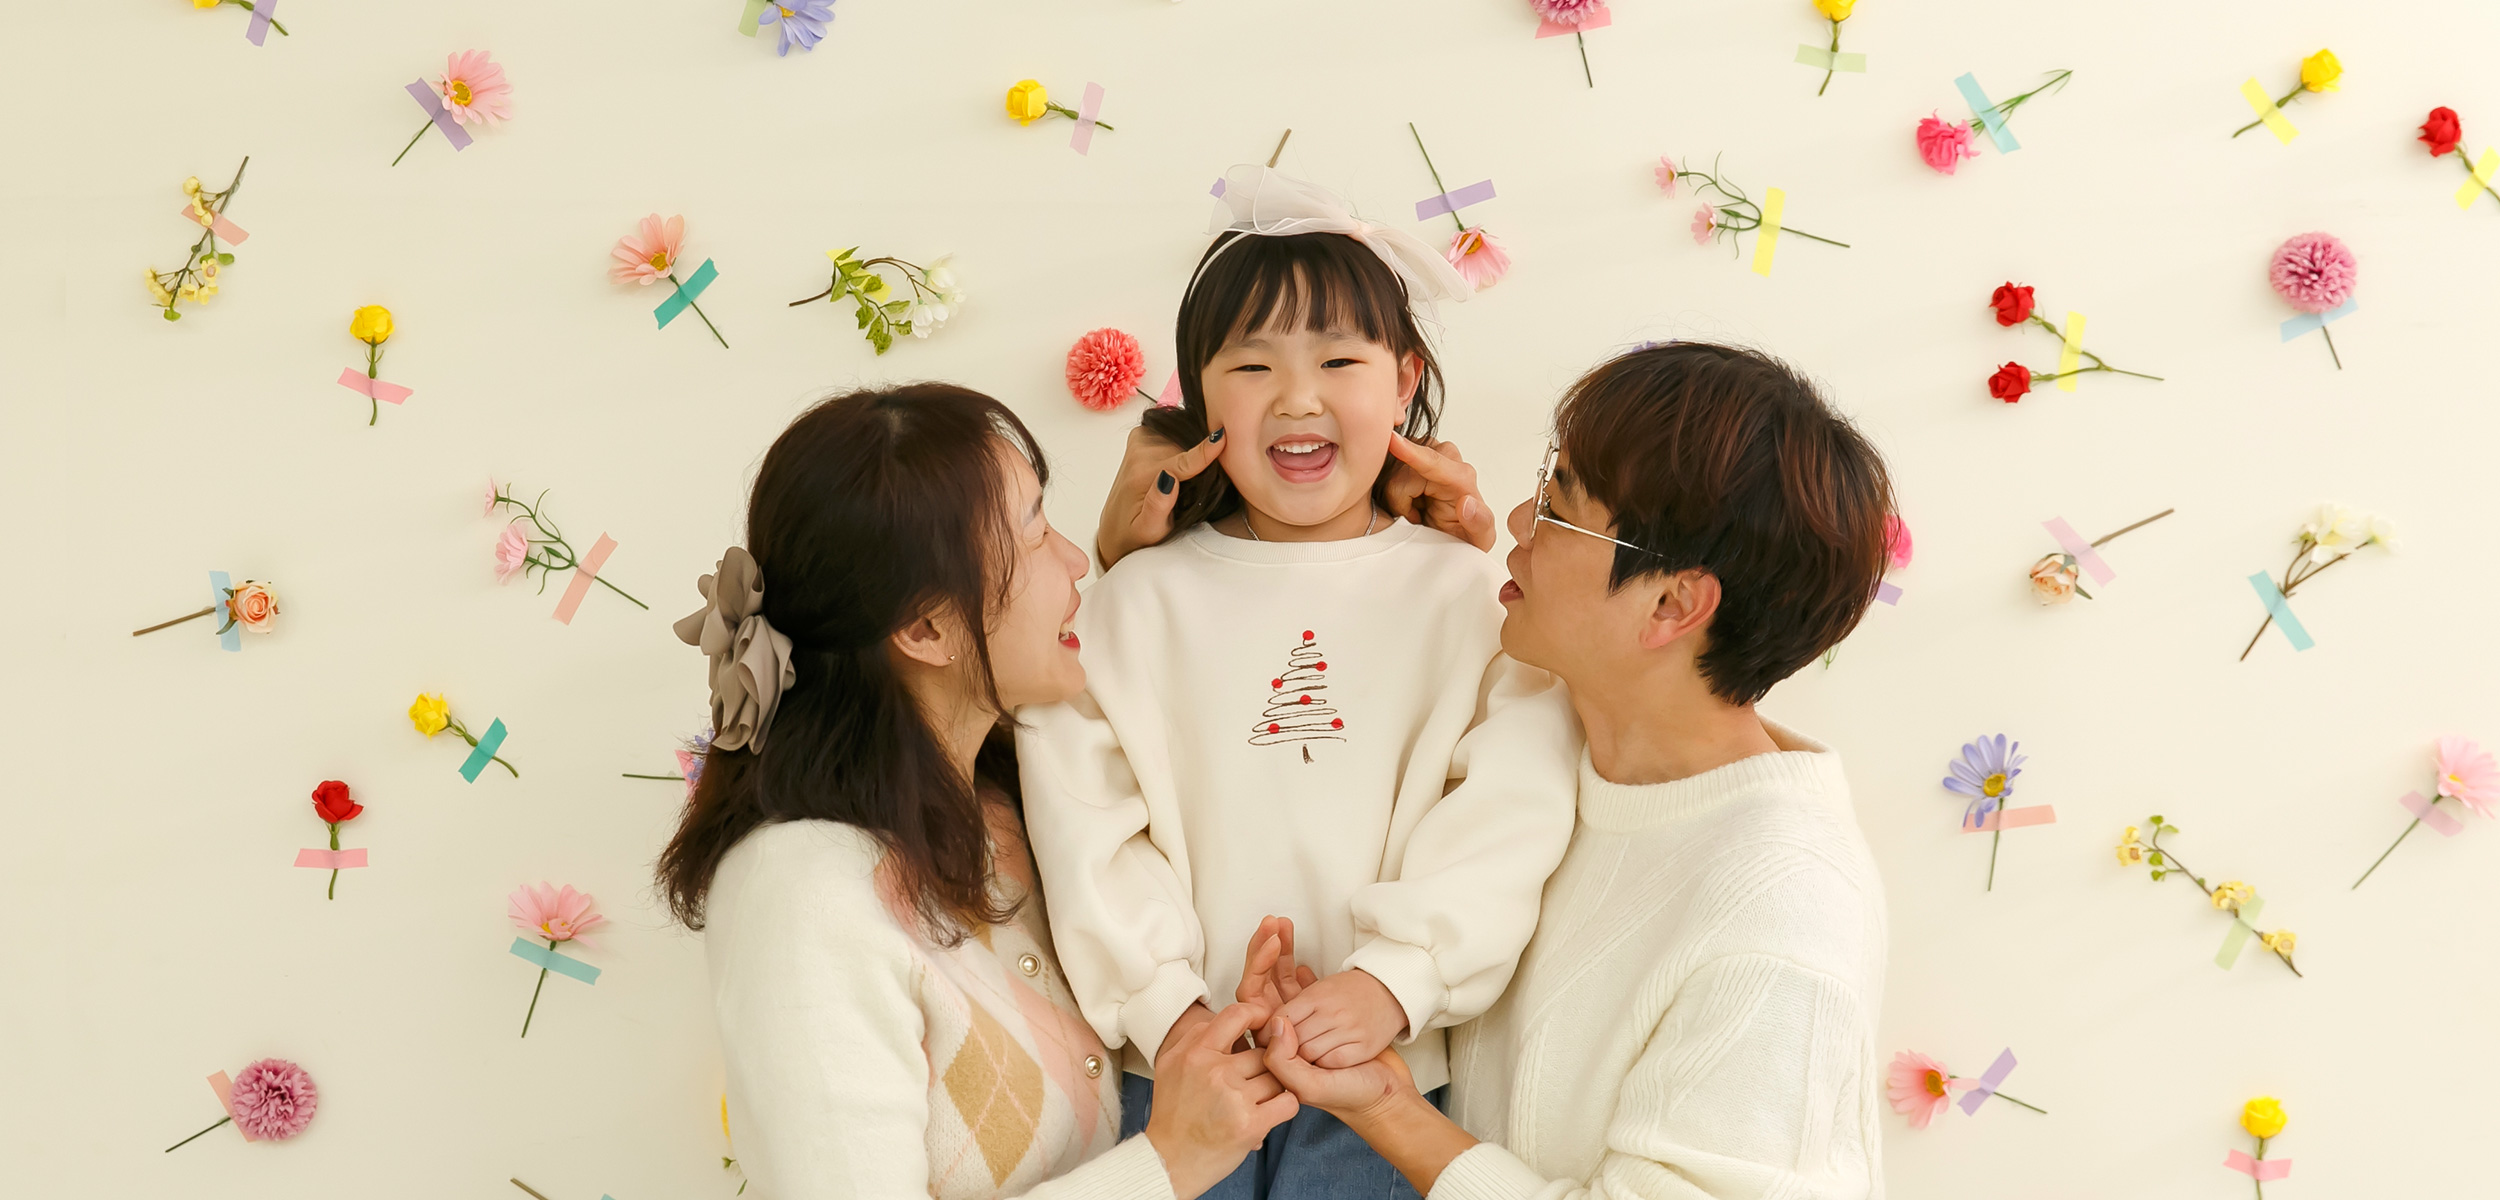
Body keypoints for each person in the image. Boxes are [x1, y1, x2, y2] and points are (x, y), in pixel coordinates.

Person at [1017, 167, 1582, 1200]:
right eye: (1252, 365)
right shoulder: (1134, 600)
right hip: (1180, 1081)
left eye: (1338, 359)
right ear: (1198, 398)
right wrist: (1169, 1012)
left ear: (1404, 381)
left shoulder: (1471, 597)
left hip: (1388, 1077)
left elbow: (1512, 811)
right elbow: (1084, 822)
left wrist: (1393, 982)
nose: (1298, 397)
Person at [1252, 342, 1896, 1200]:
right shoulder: (1547, 742)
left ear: (1672, 603)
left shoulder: (1785, 912)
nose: (1519, 520)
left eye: (1558, 507)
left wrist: (1396, 1118)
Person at [656, 384, 1297, 1200]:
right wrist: (1167, 1162)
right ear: (926, 630)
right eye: (1034, 536)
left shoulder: (1021, 798)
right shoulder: (802, 893)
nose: (1075, 561)